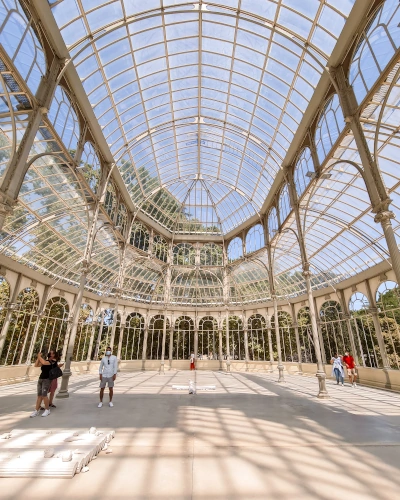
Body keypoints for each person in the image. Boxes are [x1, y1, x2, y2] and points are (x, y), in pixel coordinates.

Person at [30, 351, 57, 417]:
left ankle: (47, 410)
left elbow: (44, 362)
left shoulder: (54, 361)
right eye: (50, 353)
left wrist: (39, 357)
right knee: (39, 395)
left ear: (54, 355)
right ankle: (36, 410)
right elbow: (36, 365)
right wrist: (38, 358)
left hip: (47, 380)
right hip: (41, 379)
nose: (51, 354)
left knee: (44, 395)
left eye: (52, 353)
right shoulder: (46, 361)